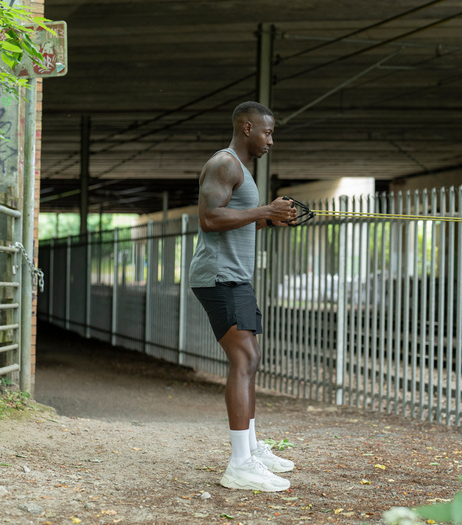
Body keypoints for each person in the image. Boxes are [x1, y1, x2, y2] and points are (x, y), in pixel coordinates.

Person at [189, 101, 298, 492]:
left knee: (252, 357)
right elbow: (209, 218)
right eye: (267, 133)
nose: (271, 140)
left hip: (235, 278)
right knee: (245, 357)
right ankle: (239, 464)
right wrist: (263, 209)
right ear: (248, 127)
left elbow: (235, 218)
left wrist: (270, 218)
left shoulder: (240, 169)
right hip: (219, 277)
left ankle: (250, 449)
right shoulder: (225, 163)